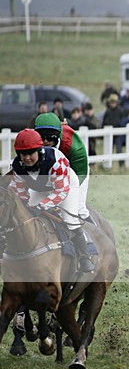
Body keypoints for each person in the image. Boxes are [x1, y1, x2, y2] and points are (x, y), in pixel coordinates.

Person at [9, 129, 94, 273]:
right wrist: (27, 206)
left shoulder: (55, 160)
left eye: (31, 153)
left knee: (69, 220)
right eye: (23, 154)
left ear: (39, 151)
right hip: (41, 187)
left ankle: (84, 257)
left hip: (66, 185)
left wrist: (42, 206)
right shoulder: (16, 166)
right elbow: (19, 191)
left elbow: (60, 191)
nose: (27, 158)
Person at [34, 112, 90, 220]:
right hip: (51, 171)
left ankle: (95, 232)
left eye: (50, 137)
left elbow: (78, 178)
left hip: (77, 170)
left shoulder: (75, 148)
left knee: (78, 208)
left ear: (58, 135)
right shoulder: (33, 142)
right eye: (42, 136)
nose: (45, 141)